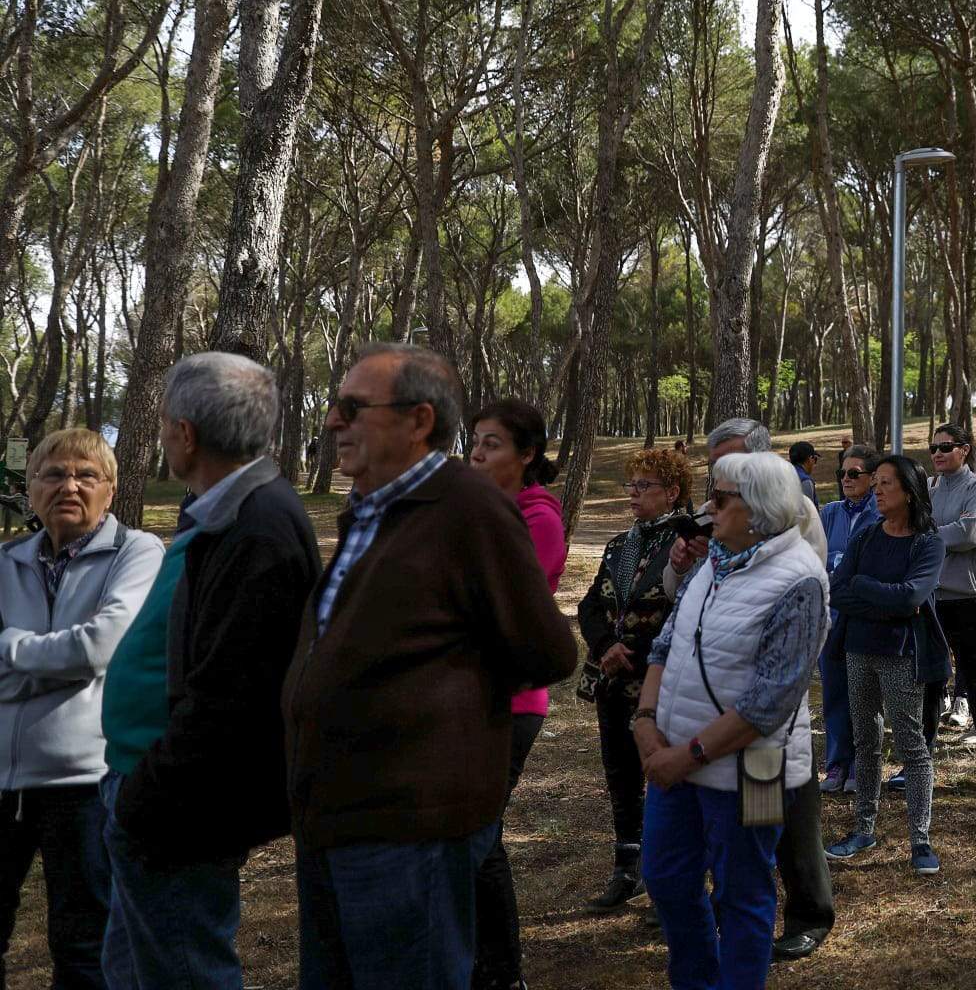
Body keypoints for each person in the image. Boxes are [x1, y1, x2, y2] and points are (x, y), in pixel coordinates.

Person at [284, 344, 577, 990]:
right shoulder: (369, 508)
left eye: (352, 407)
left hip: (409, 836)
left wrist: (439, 712)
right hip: (332, 823)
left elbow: (546, 651)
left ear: (419, 421)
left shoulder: (467, 509)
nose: (333, 421)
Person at [99, 354, 320, 990]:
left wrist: (145, 797)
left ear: (185, 433)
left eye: (166, 422)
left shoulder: (259, 525)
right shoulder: (229, 508)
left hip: (180, 805)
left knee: (184, 972)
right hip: (156, 788)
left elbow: (231, 696)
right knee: (135, 970)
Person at [635, 453, 829, 989]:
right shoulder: (714, 560)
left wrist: (685, 754)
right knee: (666, 877)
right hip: (675, 757)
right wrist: (647, 719)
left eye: (719, 500)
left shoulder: (800, 582)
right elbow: (667, 641)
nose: (708, 511)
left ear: (760, 509)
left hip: (757, 768)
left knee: (744, 891)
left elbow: (770, 701)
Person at [1, 430, 163, 989]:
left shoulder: (137, 552)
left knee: (83, 945)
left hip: (86, 781)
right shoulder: (7, 560)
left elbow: (100, 648)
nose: (69, 486)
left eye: (86, 475)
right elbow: (78, 656)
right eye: (53, 475)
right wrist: (59, 662)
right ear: (30, 488)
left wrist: (11, 649)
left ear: (111, 489)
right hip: (3, 780)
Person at [685, 418, 833, 965]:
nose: (720, 478)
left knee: (775, 806)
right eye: (715, 467)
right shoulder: (711, 517)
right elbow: (684, 598)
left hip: (770, 700)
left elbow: (808, 591)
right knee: (725, 817)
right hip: (708, 696)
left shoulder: (800, 516)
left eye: (732, 464)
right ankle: (731, 904)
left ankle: (808, 913)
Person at [463, 399, 569, 990]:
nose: (477, 453)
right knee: (465, 837)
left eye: (492, 444)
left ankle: (502, 976)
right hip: (464, 700)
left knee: (480, 838)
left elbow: (494, 600)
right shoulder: (481, 508)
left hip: (510, 702)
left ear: (527, 455)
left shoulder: (538, 517)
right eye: (475, 441)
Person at [577, 446, 692, 914]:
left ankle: (668, 881)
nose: (633, 493)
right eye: (632, 484)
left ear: (672, 492)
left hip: (656, 681)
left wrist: (636, 654)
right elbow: (589, 605)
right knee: (620, 774)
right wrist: (606, 647)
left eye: (645, 486)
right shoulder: (620, 544)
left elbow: (682, 614)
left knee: (663, 776)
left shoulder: (686, 545)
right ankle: (627, 869)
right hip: (611, 677)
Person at [824, 456, 945, 874]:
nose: (876, 490)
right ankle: (863, 828)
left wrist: (865, 589)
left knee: (912, 746)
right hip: (858, 649)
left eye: (885, 484)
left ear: (909, 493)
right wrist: (881, 600)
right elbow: (837, 591)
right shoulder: (867, 537)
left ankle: (920, 840)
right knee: (865, 742)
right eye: (873, 483)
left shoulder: (928, 543)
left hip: (902, 655)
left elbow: (911, 598)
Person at [923, 425, 976, 796]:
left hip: (969, 597)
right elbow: (920, 531)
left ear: (964, 450)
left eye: (945, 447)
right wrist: (940, 533)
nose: (938, 453)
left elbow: (969, 535)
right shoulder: (927, 488)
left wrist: (927, 536)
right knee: (927, 684)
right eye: (933, 448)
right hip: (932, 599)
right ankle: (919, 763)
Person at [816, 444, 879, 795]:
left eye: (855, 473)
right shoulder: (830, 512)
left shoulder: (881, 513)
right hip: (832, 617)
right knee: (835, 693)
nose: (847, 479)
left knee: (864, 697)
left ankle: (863, 765)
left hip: (865, 618)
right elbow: (816, 558)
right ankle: (837, 764)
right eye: (843, 473)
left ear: (871, 478)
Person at [789, 442, 819, 506]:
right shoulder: (805, 481)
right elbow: (808, 513)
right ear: (810, 458)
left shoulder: (783, 474)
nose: (814, 464)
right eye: (815, 459)